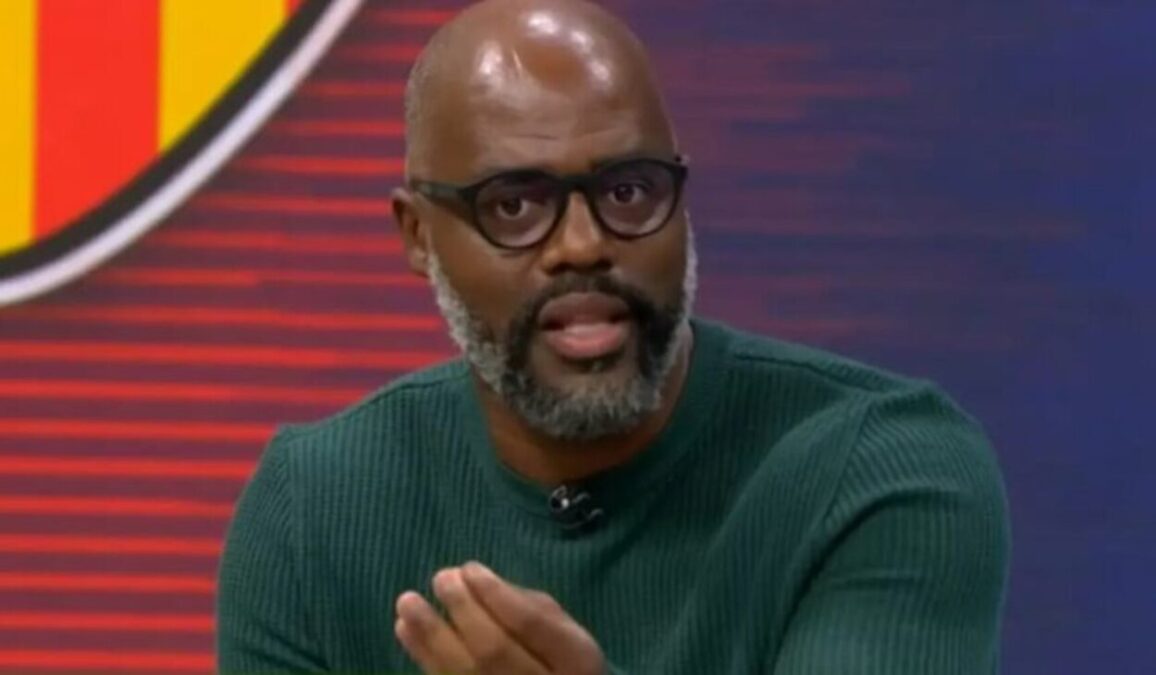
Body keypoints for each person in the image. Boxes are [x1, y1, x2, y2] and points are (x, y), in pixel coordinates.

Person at [216, 0, 1011, 672]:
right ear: (418, 235)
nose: (584, 244)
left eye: (628, 190)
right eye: (515, 204)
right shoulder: (314, 508)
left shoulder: (879, 470)